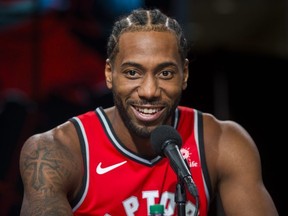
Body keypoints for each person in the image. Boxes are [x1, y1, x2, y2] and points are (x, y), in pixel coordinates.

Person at [19, 8, 279, 216]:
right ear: (110, 73)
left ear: (184, 74)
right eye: (133, 73)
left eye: (165, 73)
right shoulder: (54, 151)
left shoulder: (222, 142)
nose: (149, 90)